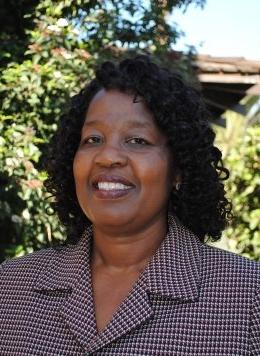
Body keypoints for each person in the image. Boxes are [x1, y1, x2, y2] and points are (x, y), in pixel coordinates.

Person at [0, 55, 259, 355]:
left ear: (178, 168)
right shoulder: (10, 286)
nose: (107, 156)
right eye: (93, 139)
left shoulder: (248, 297)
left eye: (137, 141)